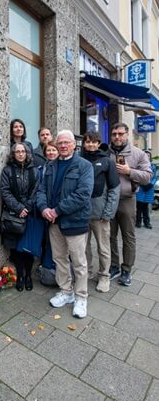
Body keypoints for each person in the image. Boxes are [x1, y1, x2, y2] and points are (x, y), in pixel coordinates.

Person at [36, 130, 93, 319]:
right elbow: (42, 189)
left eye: (66, 142)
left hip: (74, 222)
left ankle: (81, 297)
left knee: (79, 262)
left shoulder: (84, 166)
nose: (62, 146)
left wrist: (57, 210)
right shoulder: (50, 166)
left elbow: (83, 194)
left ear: (74, 145)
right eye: (59, 142)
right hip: (54, 223)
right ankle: (66, 292)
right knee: (60, 259)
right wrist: (44, 208)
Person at [108, 123, 152, 286]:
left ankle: (126, 269)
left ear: (127, 135)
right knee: (109, 236)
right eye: (114, 134)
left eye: (120, 133)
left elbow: (147, 176)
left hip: (127, 199)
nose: (117, 137)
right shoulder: (106, 152)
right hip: (109, 200)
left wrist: (129, 171)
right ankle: (113, 266)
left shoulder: (138, 154)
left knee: (128, 236)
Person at [81, 131, 120, 293]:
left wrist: (108, 213)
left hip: (100, 214)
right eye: (87, 141)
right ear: (83, 143)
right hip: (81, 213)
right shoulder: (79, 160)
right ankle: (87, 272)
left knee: (103, 248)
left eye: (93, 142)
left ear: (98, 143)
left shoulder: (107, 161)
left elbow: (114, 189)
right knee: (83, 247)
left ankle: (104, 276)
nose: (90, 144)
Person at [0, 142, 40, 291]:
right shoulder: (7, 170)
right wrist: (18, 208)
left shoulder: (35, 171)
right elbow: (5, 191)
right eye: (17, 152)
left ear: (27, 153)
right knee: (16, 248)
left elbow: (37, 190)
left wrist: (27, 207)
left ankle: (28, 275)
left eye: (23, 151)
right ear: (13, 154)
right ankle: (20, 276)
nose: (21, 154)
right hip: (13, 214)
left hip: (29, 214)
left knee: (28, 247)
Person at [37, 141, 59, 287]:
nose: (51, 153)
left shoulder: (61, 168)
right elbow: (40, 189)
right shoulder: (40, 169)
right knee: (45, 241)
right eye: (48, 150)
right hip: (43, 210)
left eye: (53, 150)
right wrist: (43, 208)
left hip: (57, 212)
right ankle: (46, 271)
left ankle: (58, 271)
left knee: (57, 244)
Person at [136, 150, 157, 229]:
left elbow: (155, 177)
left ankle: (147, 222)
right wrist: (142, 183)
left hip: (149, 188)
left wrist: (150, 184)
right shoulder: (138, 166)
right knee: (139, 206)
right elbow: (137, 175)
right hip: (141, 188)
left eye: (148, 155)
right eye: (145, 155)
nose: (147, 156)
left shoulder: (153, 166)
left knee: (146, 206)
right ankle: (138, 222)